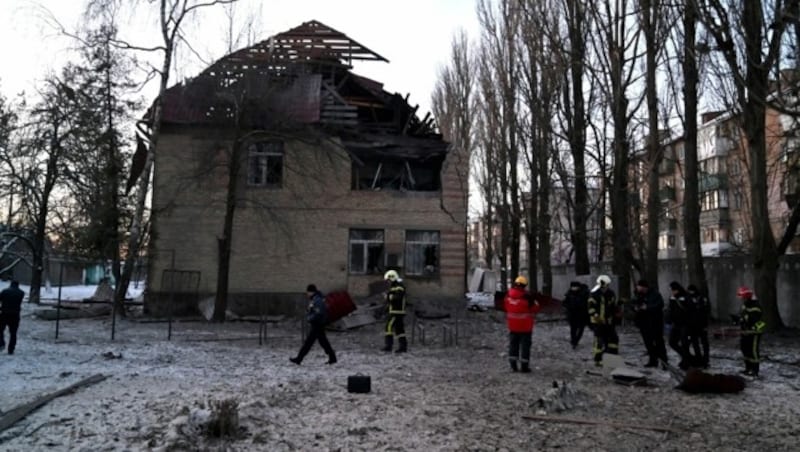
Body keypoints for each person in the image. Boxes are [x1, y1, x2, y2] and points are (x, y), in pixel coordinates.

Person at [290, 284, 337, 365]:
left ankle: (299, 358)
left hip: (317, 324)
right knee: (323, 342)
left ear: (311, 292)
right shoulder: (315, 299)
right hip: (318, 324)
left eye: (308, 292)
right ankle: (332, 357)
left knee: (308, 342)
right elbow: (314, 310)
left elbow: (318, 313)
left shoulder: (317, 300)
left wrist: (310, 318)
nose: (307, 294)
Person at [504, 275, 541, 372]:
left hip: (512, 326)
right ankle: (524, 367)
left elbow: (506, 306)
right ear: (524, 285)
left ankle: (513, 366)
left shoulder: (508, 295)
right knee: (525, 346)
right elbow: (535, 308)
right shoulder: (528, 297)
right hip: (525, 327)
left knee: (513, 345)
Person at [633, 279, 668, 368]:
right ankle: (653, 360)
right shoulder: (638, 294)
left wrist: (648, 307)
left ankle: (664, 362)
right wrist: (636, 308)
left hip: (655, 322)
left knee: (658, 342)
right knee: (648, 343)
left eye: (638, 286)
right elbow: (634, 303)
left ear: (643, 287)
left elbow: (659, 305)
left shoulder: (655, 294)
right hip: (644, 323)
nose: (637, 288)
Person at [587, 275, 621, 366]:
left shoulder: (611, 294)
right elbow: (590, 308)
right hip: (597, 322)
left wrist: (617, 313)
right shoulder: (594, 294)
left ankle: (612, 357)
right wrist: (595, 315)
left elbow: (613, 306)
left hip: (609, 321)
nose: (606, 287)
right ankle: (598, 360)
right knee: (599, 341)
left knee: (613, 339)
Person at [736, 286, 765, 377]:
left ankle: (755, 370)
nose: (742, 299)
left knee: (753, 351)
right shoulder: (746, 305)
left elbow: (762, 322)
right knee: (745, 349)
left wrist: (753, 329)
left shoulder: (756, 307)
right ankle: (748, 368)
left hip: (754, 333)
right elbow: (744, 316)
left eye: (743, 297)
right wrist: (739, 320)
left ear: (748, 296)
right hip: (745, 331)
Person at [667, 281, 692, 370]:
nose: (672, 292)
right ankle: (687, 357)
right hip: (676, 323)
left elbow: (690, 310)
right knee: (672, 342)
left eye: (673, 290)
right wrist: (669, 319)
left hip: (685, 324)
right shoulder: (672, 298)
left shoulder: (686, 297)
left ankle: (686, 361)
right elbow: (670, 309)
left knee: (685, 343)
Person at [381, 270, 408, 353]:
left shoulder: (399, 287)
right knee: (399, 330)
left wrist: (388, 297)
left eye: (388, 280)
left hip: (396, 311)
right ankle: (403, 347)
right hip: (396, 311)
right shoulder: (395, 286)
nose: (388, 282)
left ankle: (388, 346)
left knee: (388, 327)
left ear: (392, 278)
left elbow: (397, 298)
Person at [686, 284, 711, 368]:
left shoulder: (702, 298)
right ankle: (699, 359)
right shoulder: (688, 298)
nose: (690, 292)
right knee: (695, 343)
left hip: (701, 324)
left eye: (691, 291)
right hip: (693, 325)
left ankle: (705, 360)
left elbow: (706, 310)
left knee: (704, 343)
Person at [0, 280, 25, 355]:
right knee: (13, 333)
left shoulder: (5, 291)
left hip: (4, 314)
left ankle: (1, 343)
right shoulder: (21, 293)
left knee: (0, 330)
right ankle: (11, 349)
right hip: (15, 315)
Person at [562, 281, 589, 349]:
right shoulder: (569, 293)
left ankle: (576, 340)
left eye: (575, 287)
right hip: (572, 313)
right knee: (573, 328)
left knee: (580, 329)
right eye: (572, 287)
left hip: (582, 314)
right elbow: (565, 302)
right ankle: (574, 341)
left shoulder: (584, 293)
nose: (573, 288)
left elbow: (587, 303)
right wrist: (567, 306)